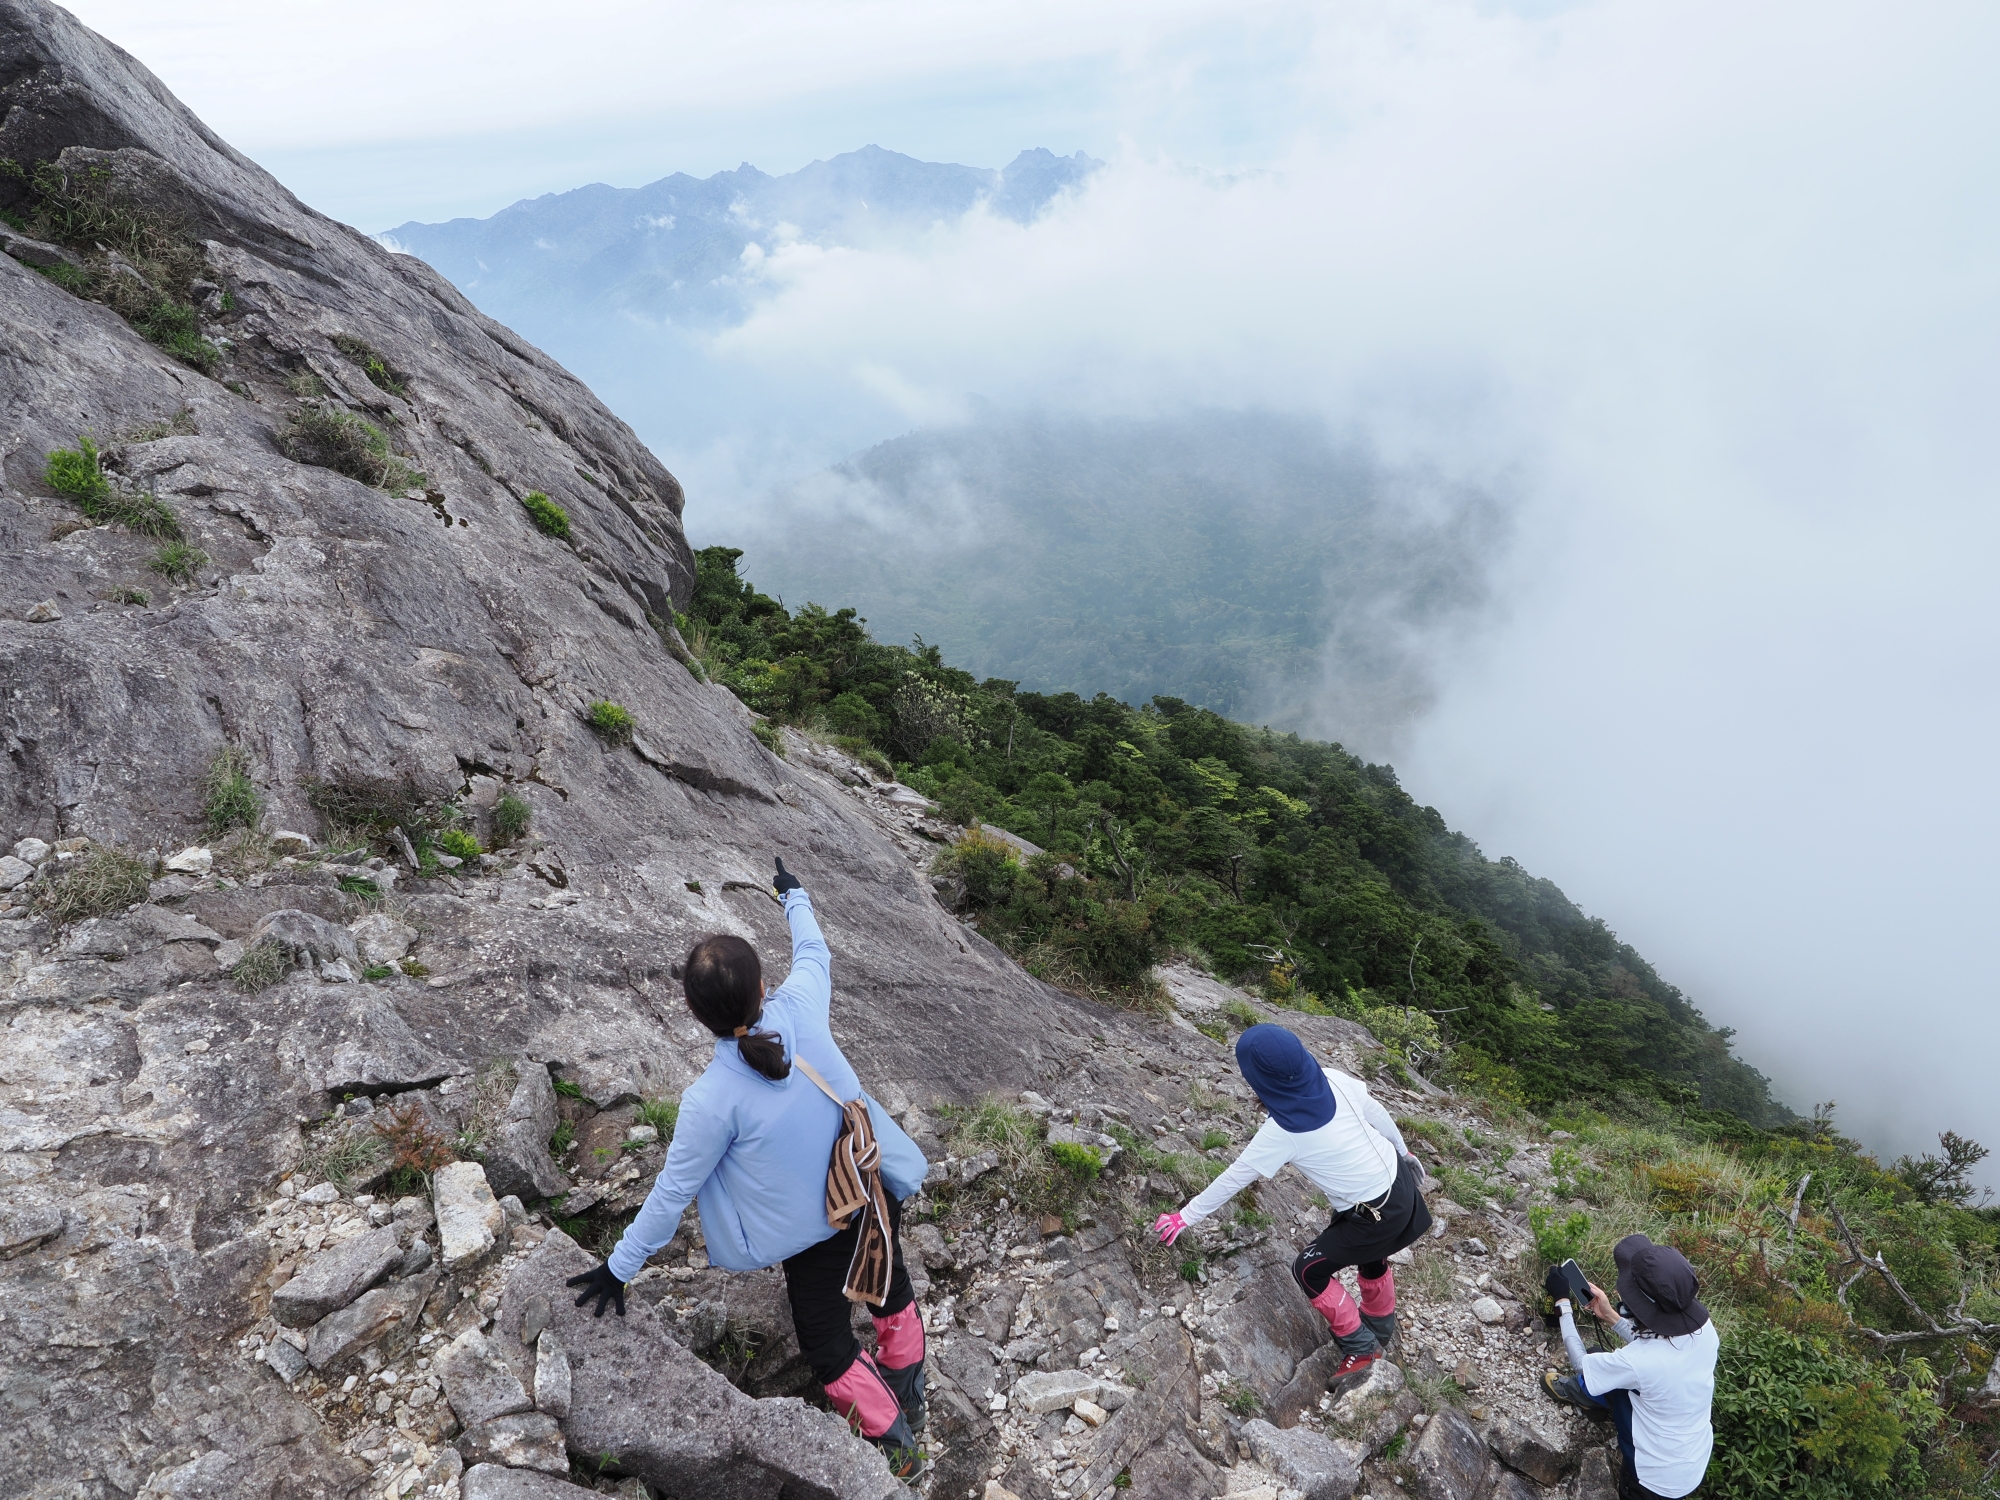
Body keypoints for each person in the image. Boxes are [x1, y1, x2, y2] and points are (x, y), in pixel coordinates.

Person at [564, 858, 932, 1474]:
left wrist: (618, 1268)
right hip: (871, 1188)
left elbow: (672, 1193)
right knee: (889, 1288)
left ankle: (898, 1453)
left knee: (828, 1346)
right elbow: (814, 951)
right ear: (763, 988)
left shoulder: (710, 1100)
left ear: (696, 1012)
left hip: (818, 1234)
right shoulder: (801, 1005)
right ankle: (911, 1401)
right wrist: (793, 896)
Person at [1154, 1024, 1432, 1386]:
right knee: (1372, 1254)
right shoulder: (1333, 1079)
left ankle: (1362, 1348)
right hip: (1398, 1183)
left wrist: (1183, 1217)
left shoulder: (1283, 1131)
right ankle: (1380, 1327)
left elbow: (1235, 1178)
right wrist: (1404, 1152)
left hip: (1372, 1214)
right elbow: (1376, 1113)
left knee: (1308, 1270)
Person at [1542, 1234, 1718, 1500]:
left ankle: (1581, 1392)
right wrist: (1610, 1315)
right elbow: (1657, 1349)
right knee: (1606, 1363)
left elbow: (1581, 1364)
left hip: (1652, 1480)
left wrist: (1562, 1303)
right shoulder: (1704, 1330)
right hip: (1692, 1458)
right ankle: (1593, 1397)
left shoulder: (1639, 1363)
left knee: (1598, 1364)